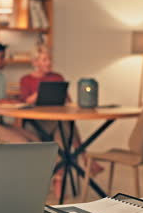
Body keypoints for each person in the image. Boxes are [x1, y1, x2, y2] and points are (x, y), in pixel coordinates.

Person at [19, 47, 103, 195]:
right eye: (45, 59)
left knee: (64, 125)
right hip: (37, 124)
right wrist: (39, 94)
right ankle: (84, 158)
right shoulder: (26, 80)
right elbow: (23, 103)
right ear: (35, 62)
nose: (49, 62)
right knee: (66, 126)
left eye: (50, 59)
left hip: (57, 121)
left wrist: (63, 96)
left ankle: (59, 175)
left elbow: (68, 102)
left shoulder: (57, 77)